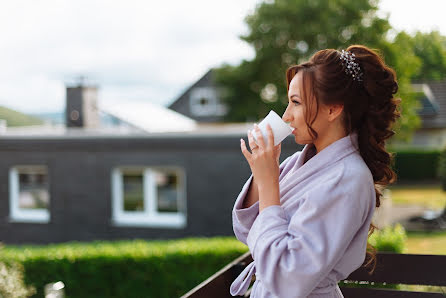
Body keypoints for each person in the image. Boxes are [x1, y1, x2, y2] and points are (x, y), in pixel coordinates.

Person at [230, 45, 401, 298]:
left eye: (296, 103)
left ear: (333, 109)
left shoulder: (348, 179)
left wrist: (269, 183)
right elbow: (247, 231)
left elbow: (287, 277)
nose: (286, 116)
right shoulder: (299, 161)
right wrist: (262, 171)